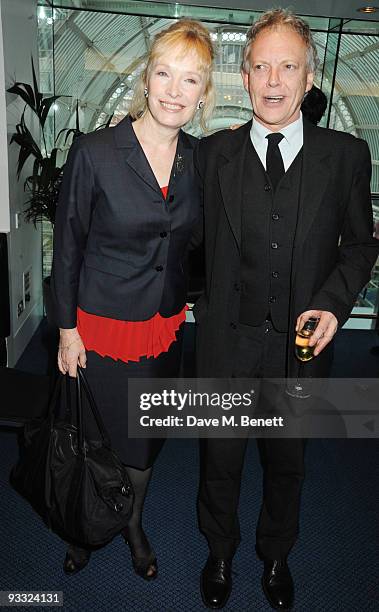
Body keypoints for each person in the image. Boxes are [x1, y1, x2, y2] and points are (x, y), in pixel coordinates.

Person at [194, 9, 378, 610]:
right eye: (261, 66)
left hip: (300, 347)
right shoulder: (211, 157)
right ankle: (219, 551)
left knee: (287, 460)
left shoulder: (347, 156)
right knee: (220, 456)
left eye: (288, 67)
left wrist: (332, 305)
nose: (273, 80)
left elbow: (362, 243)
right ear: (243, 77)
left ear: (309, 77)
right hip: (227, 340)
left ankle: (275, 554)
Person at [50, 19, 214, 578]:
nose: (174, 90)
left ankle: (132, 521)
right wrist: (66, 330)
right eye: (165, 74)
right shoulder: (96, 151)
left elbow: (200, 240)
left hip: (163, 328)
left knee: (143, 443)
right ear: (146, 79)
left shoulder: (199, 160)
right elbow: (67, 245)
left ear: (203, 93)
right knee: (91, 437)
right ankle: (81, 526)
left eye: (190, 80)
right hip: (99, 327)